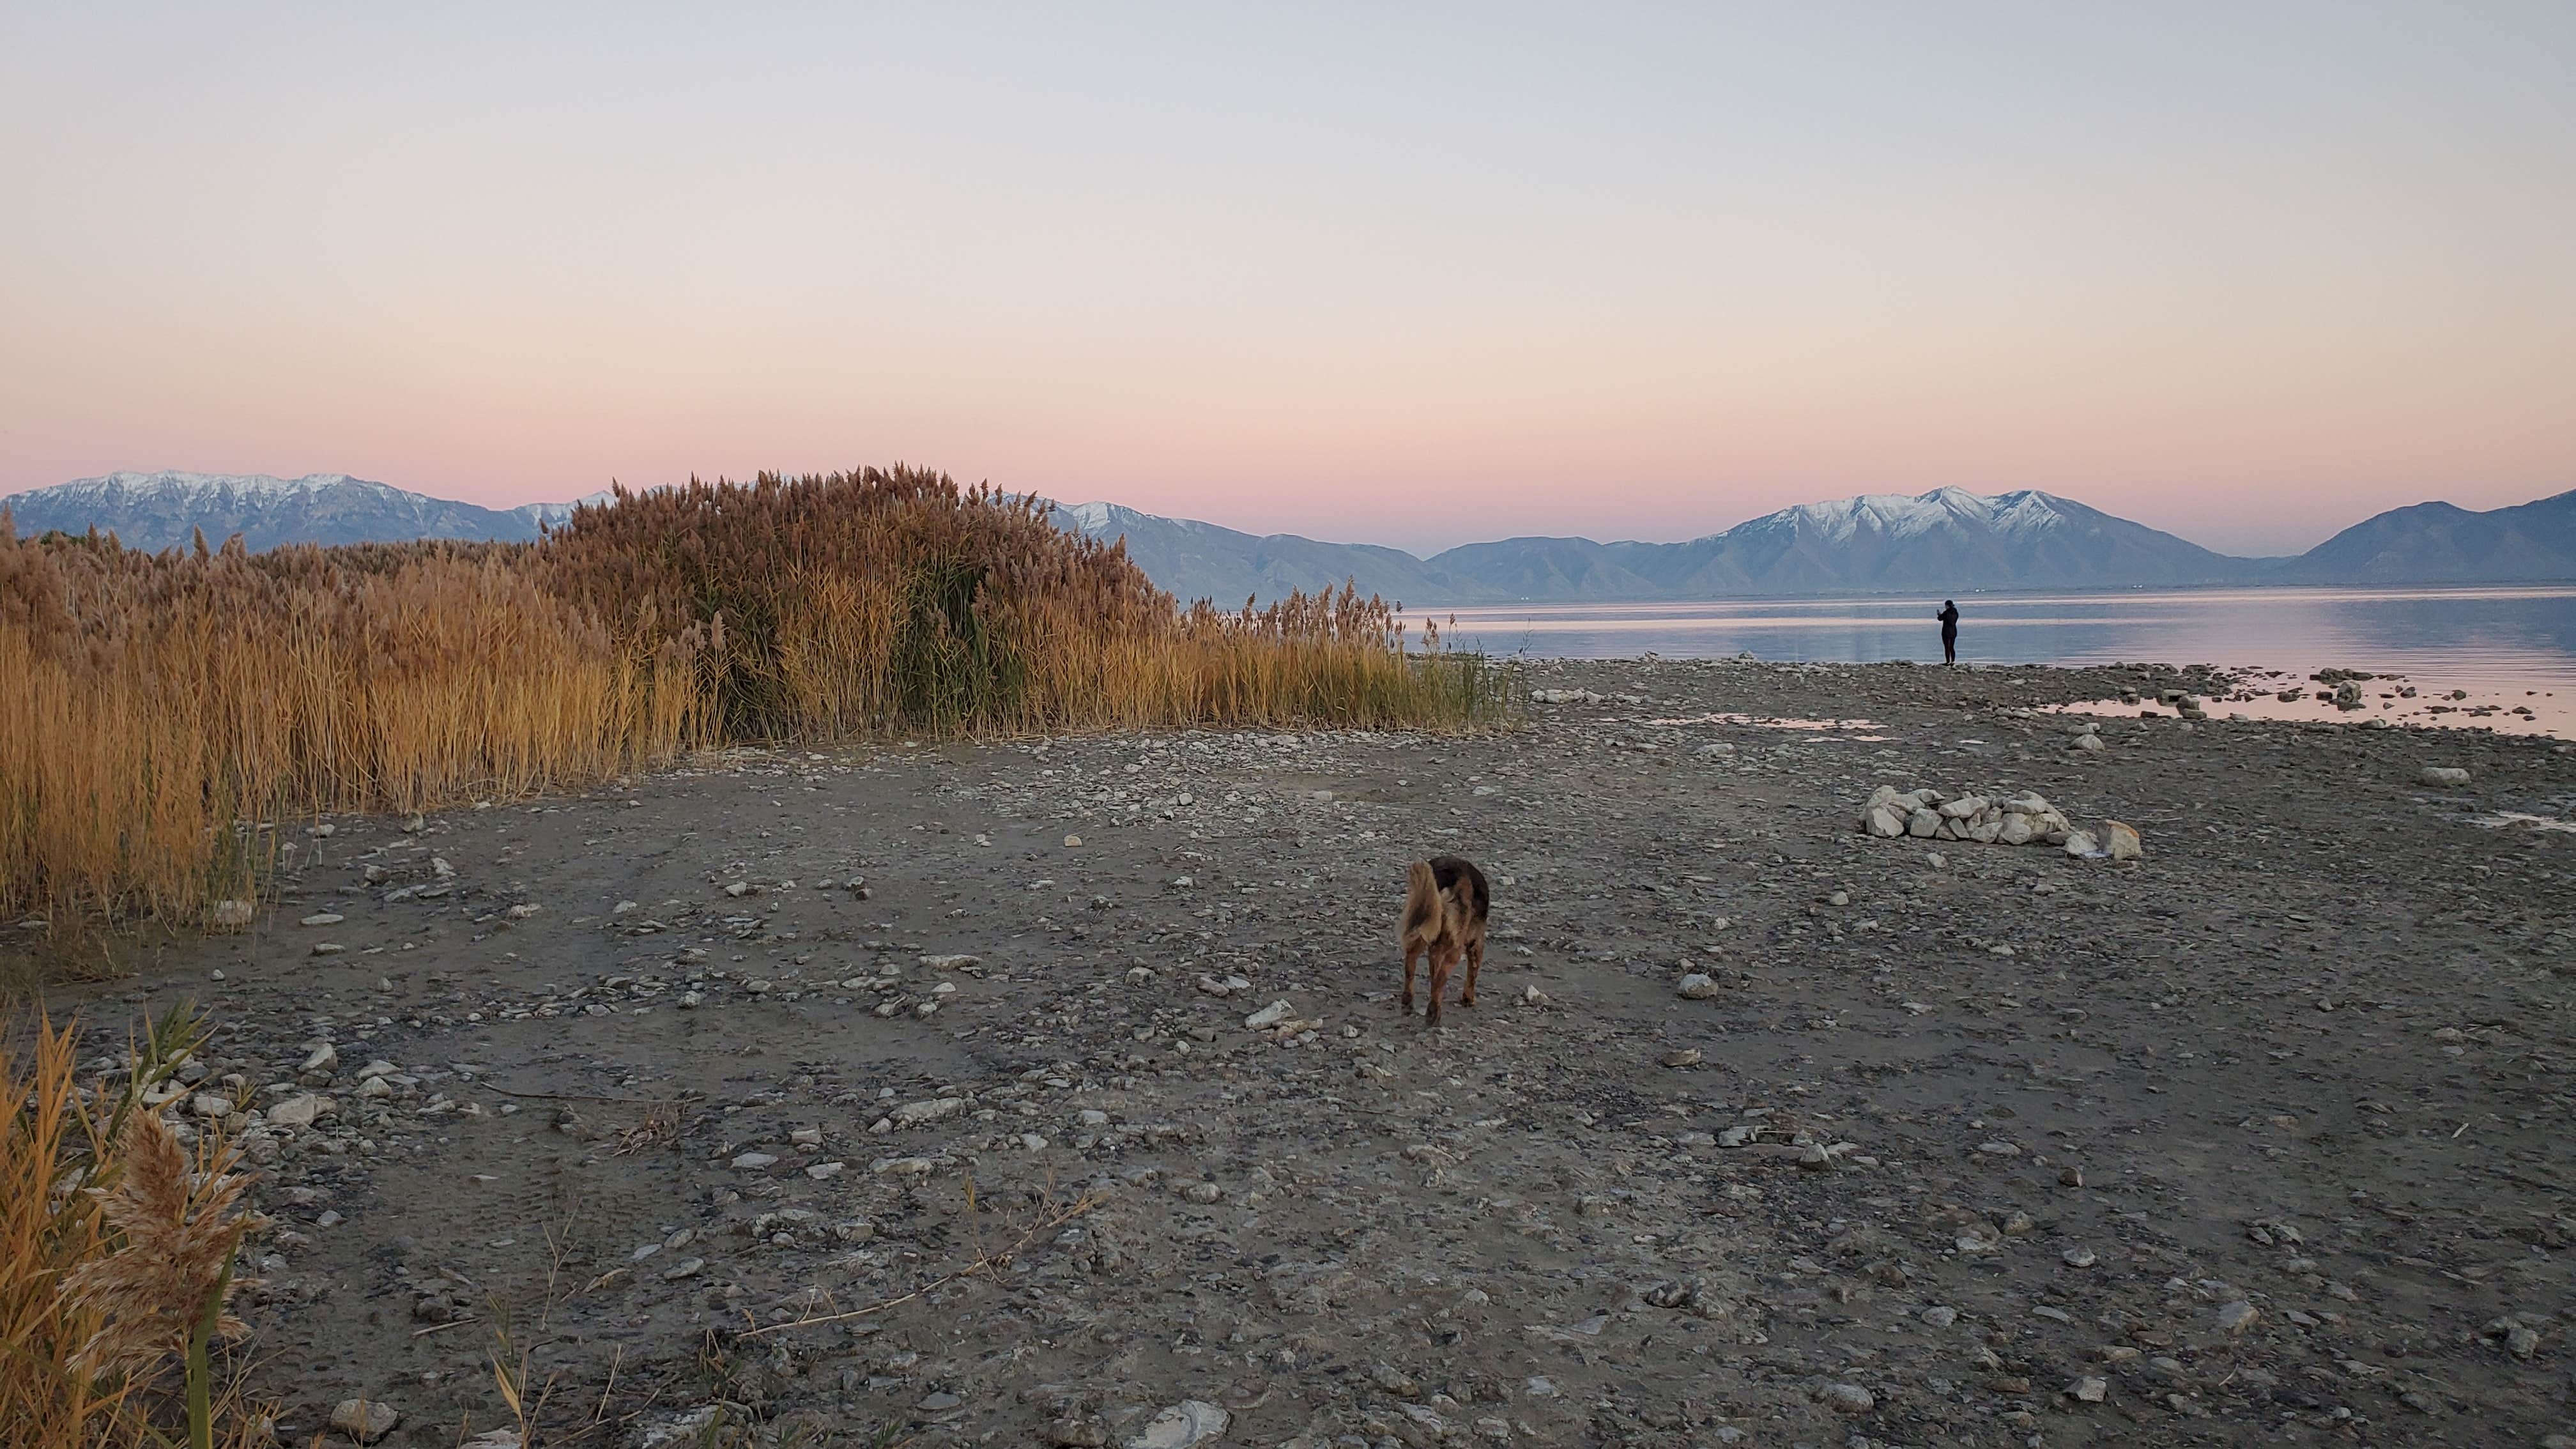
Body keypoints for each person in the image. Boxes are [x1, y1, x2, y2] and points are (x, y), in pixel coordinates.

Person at [1936, 599, 1959, 666]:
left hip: (1946, 632)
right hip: (1954, 631)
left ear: (1948, 606)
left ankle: (1948, 662)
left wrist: (1939, 614)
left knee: (1947, 647)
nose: (1945, 607)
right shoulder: (1956, 613)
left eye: (1946, 606)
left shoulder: (1947, 613)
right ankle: (1953, 661)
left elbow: (1940, 618)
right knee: (1952, 647)